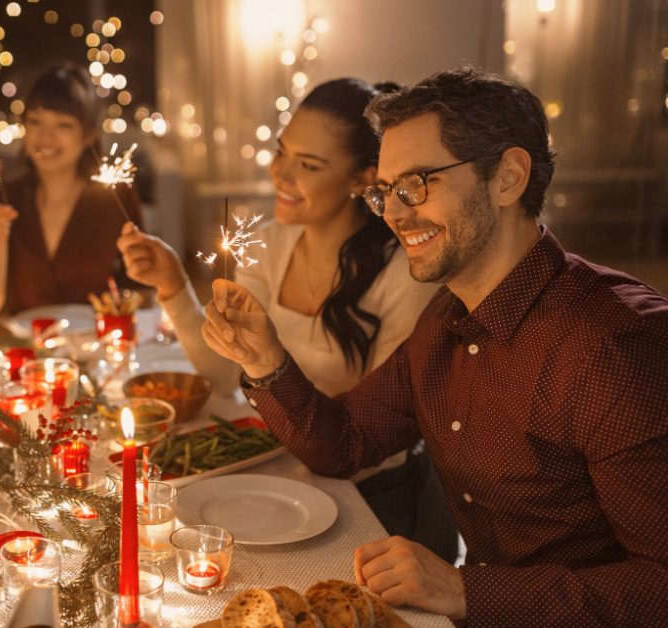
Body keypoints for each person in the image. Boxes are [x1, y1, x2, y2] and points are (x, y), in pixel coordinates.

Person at [203, 67, 668, 624]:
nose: (395, 214)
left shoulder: (613, 346)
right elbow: (345, 444)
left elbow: (660, 584)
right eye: (387, 192)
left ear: (507, 178)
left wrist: (466, 590)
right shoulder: (446, 318)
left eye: (418, 184)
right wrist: (264, 361)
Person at [119, 78, 453, 556]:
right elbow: (223, 372)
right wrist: (173, 286)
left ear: (363, 179)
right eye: (282, 152)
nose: (281, 173)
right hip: (286, 474)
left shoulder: (405, 273)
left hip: (374, 498)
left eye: (309, 164)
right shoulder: (271, 244)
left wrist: (271, 368)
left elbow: (369, 439)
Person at [0, 63, 142, 319]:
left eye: (63, 125)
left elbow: (140, 286)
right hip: (26, 349)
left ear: (88, 135)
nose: (45, 136)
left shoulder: (115, 198)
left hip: (95, 345)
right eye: (35, 121)